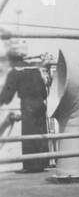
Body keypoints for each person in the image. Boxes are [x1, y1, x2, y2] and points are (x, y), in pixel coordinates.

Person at [1, 42, 50, 172]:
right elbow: (45, 93)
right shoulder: (34, 69)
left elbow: (6, 96)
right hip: (40, 103)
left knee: (29, 133)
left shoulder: (15, 72)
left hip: (28, 104)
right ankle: (43, 163)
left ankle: (31, 166)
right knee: (41, 133)